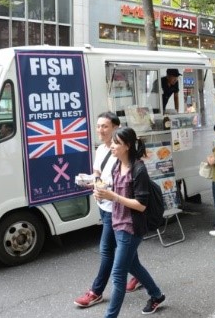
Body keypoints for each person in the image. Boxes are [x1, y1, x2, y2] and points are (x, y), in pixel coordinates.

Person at [94, 127, 165, 317]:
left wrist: (113, 196)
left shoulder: (139, 169)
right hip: (117, 221)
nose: (112, 146)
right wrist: (101, 193)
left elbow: (141, 205)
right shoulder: (118, 164)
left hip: (131, 227)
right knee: (133, 266)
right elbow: (116, 190)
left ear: (126, 146)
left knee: (118, 275)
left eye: (116, 143)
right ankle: (156, 295)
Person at [74, 112, 141, 309]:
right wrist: (93, 184)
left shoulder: (120, 152)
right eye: (98, 126)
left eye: (105, 126)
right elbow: (98, 173)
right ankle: (146, 284)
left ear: (115, 128)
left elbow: (122, 181)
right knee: (126, 252)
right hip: (104, 205)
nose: (100, 130)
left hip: (117, 208)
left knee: (107, 250)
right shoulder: (101, 150)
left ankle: (96, 291)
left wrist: (105, 189)